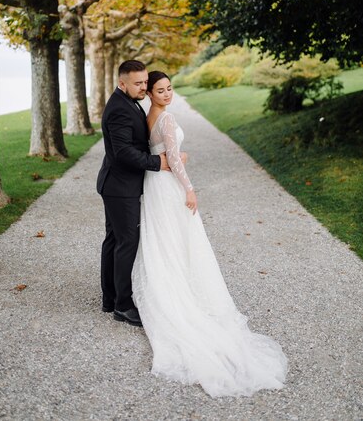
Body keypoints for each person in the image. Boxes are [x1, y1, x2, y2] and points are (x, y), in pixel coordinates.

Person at [131, 71, 288, 398]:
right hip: (169, 186)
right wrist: (189, 188)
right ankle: (186, 292)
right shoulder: (168, 119)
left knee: (164, 241)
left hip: (153, 185)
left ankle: (169, 285)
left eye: (170, 88)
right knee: (181, 240)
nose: (167, 94)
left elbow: (160, 153)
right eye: (160, 90)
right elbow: (173, 158)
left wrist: (176, 160)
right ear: (151, 93)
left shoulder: (148, 118)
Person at [97, 60, 169, 327]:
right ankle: (123, 306)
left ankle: (110, 298)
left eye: (145, 81)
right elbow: (123, 152)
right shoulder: (119, 110)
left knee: (115, 241)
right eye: (138, 83)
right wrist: (158, 163)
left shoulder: (128, 102)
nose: (144, 87)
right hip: (120, 187)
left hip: (117, 185)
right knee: (126, 242)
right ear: (122, 83)